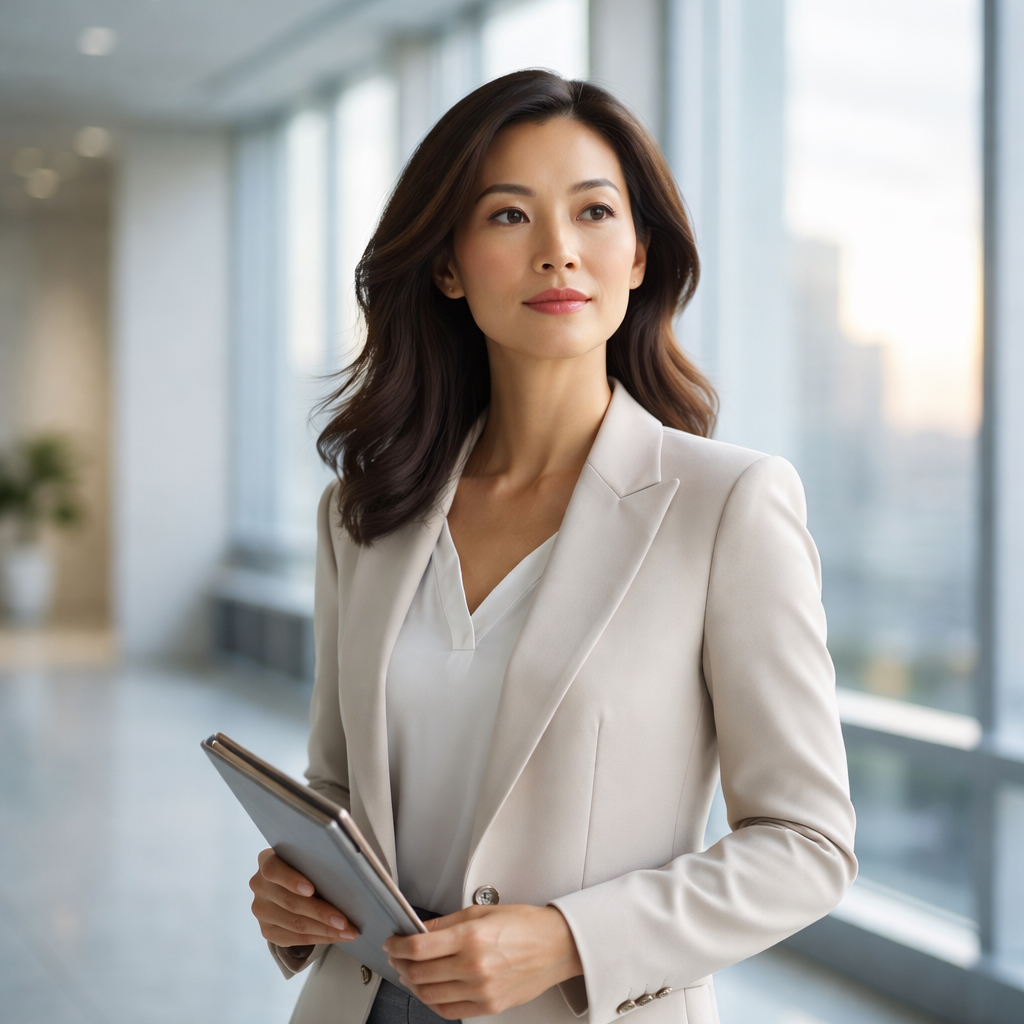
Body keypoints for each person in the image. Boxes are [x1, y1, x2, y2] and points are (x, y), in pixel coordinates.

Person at [248, 70, 857, 1024]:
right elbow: (337, 783)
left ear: (641, 256)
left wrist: (572, 938)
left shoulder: (728, 505)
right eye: (506, 216)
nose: (558, 252)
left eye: (594, 212)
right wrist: (295, 891)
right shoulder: (363, 514)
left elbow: (807, 843)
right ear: (447, 265)